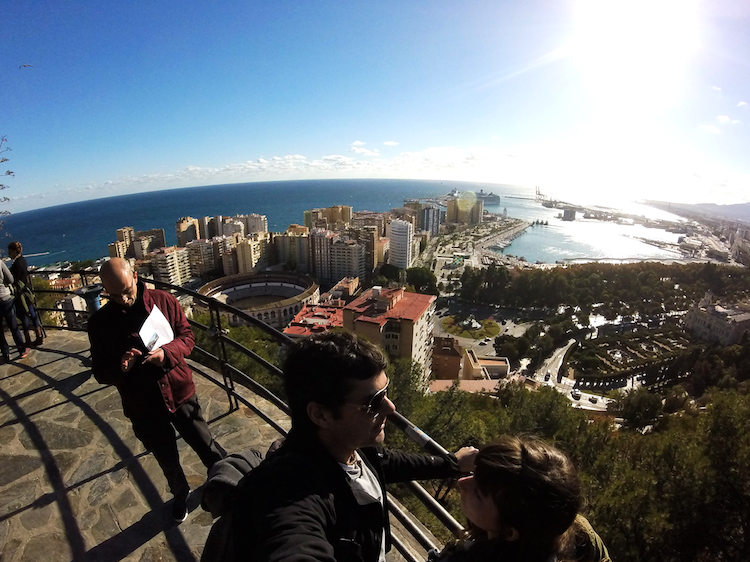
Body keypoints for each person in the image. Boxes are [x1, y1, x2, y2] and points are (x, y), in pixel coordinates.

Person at [223, 332, 477, 562]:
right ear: (321, 415)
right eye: (374, 401)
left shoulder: (352, 447)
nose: (390, 408)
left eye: (386, 392)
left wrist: (452, 463)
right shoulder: (291, 490)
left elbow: (387, 462)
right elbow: (293, 538)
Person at [88, 257, 225, 523]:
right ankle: (180, 496)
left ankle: (225, 481)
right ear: (105, 291)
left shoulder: (164, 301)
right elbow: (100, 372)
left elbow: (187, 338)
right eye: (115, 296)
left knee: (206, 444)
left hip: (179, 390)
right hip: (143, 405)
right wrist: (121, 367)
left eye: (127, 292)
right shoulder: (100, 325)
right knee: (166, 458)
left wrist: (166, 353)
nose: (124, 300)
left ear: (136, 277)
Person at [433, 435, 610, 562]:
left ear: (509, 532)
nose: (462, 483)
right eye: (474, 474)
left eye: (480, 493)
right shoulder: (572, 531)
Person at [8, 241, 44, 347]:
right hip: (27, 291)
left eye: (10, 252)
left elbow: (13, 279)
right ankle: (39, 335)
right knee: (32, 314)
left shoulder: (16, 264)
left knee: (23, 316)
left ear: (15, 251)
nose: (9, 254)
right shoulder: (23, 260)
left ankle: (28, 339)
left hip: (21, 293)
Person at [0, 258, 28, 361]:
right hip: (4, 297)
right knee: (13, 325)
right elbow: (11, 279)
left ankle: (5, 353)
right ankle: (21, 349)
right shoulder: (0, 263)